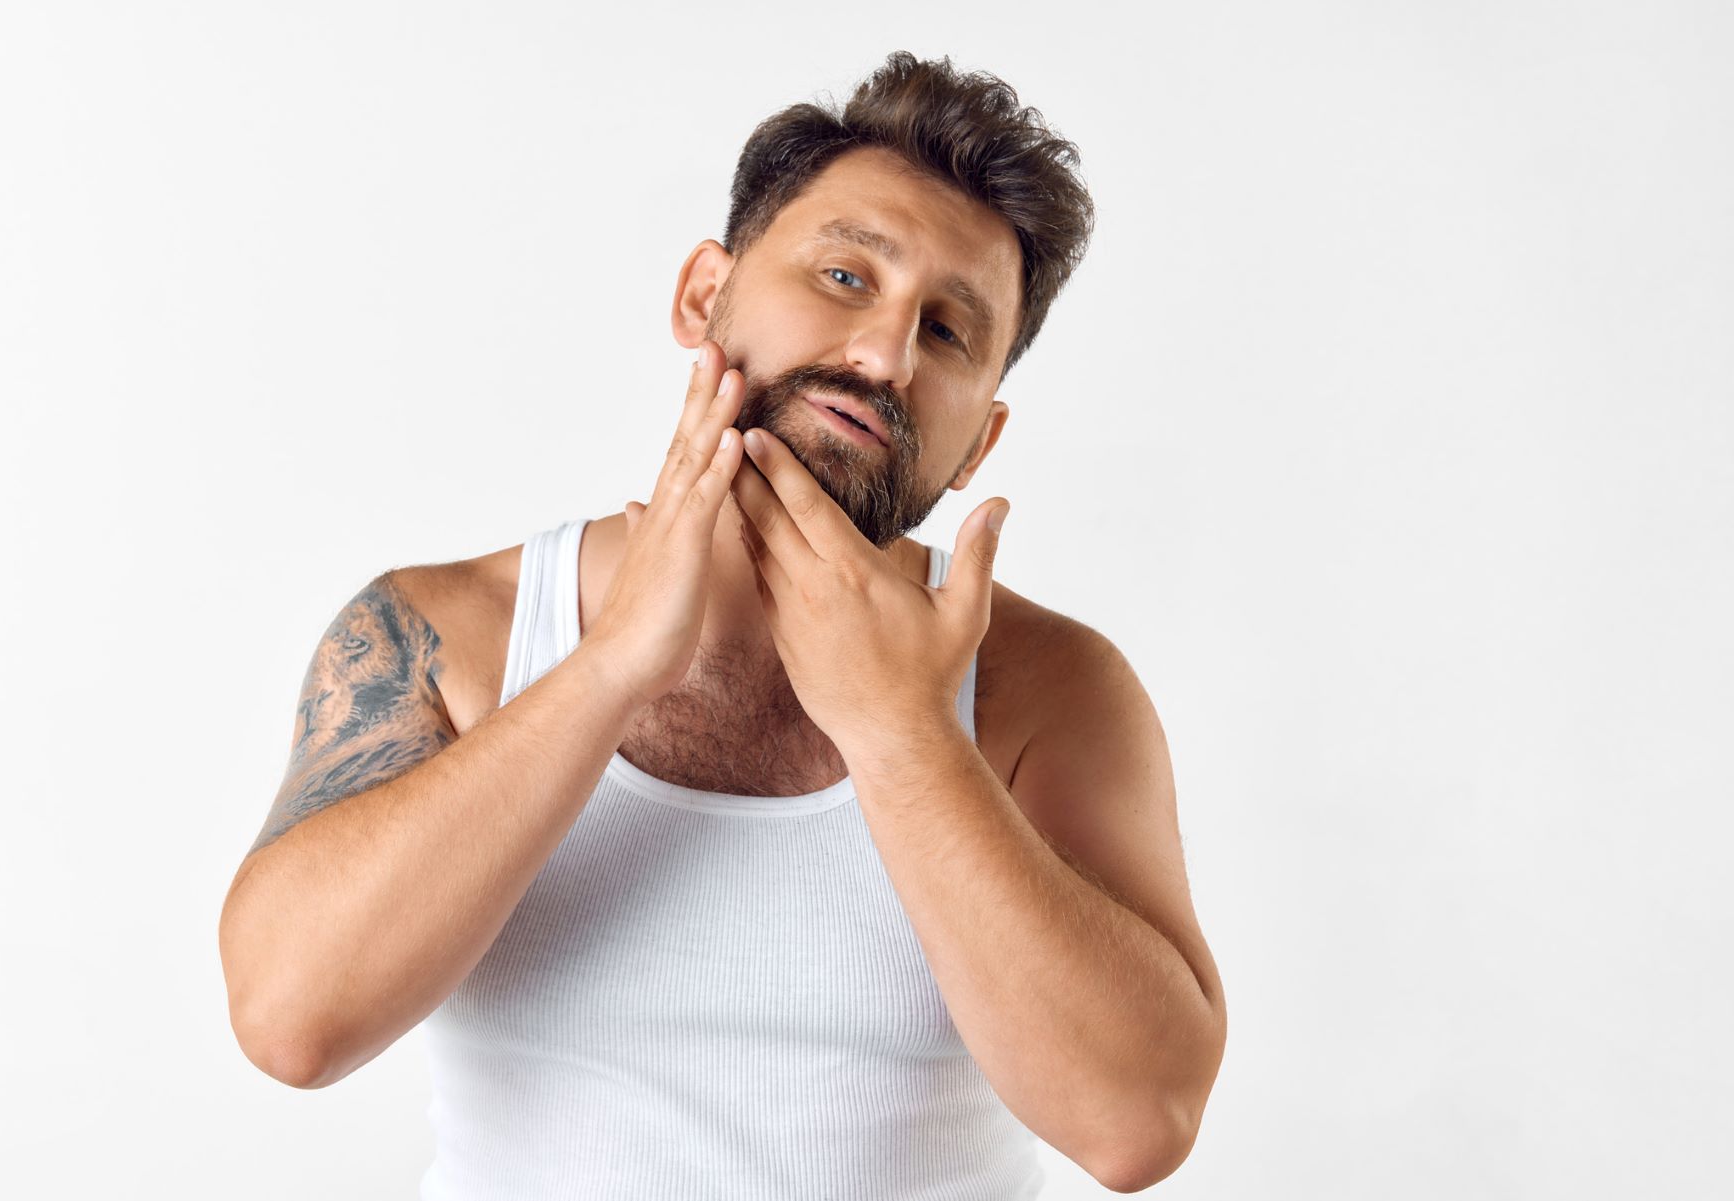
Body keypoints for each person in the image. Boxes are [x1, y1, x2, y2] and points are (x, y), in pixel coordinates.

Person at [218, 50, 1226, 1198]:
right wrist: (608, 669)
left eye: (947, 331)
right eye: (847, 276)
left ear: (977, 445)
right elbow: (291, 1022)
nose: (884, 354)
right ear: (707, 295)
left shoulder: (1051, 689)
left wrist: (904, 734)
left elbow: (1135, 1124)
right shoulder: (448, 632)